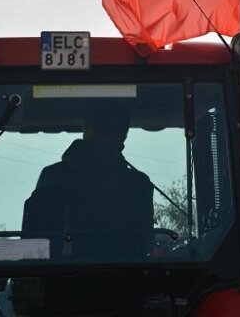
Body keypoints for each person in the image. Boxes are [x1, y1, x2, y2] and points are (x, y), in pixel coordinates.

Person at [22, 103, 154, 259]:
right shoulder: (138, 183)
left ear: (88, 130)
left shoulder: (52, 176)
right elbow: (144, 244)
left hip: (56, 278)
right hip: (124, 279)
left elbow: (32, 246)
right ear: (123, 135)